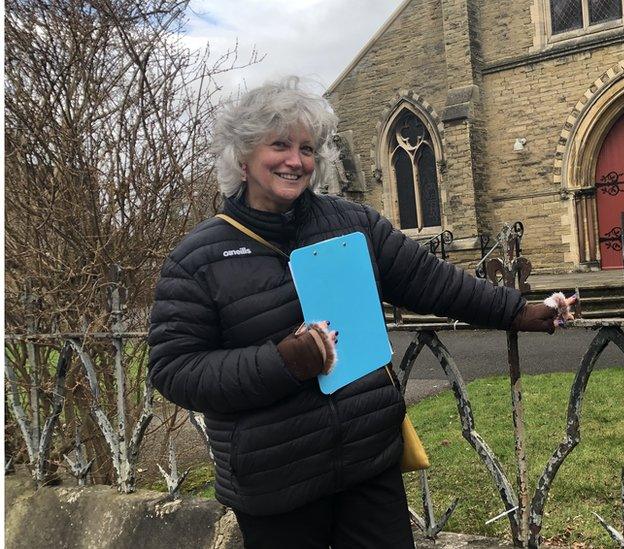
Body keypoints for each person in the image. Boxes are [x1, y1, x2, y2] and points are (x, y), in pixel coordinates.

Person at [147, 77, 576, 548]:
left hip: (368, 465)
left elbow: (431, 281)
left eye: (308, 148)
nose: (296, 161)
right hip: (276, 483)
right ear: (243, 155)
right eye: (280, 145)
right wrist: (285, 361)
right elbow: (175, 369)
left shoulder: (352, 224)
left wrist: (517, 310)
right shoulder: (198, 258)